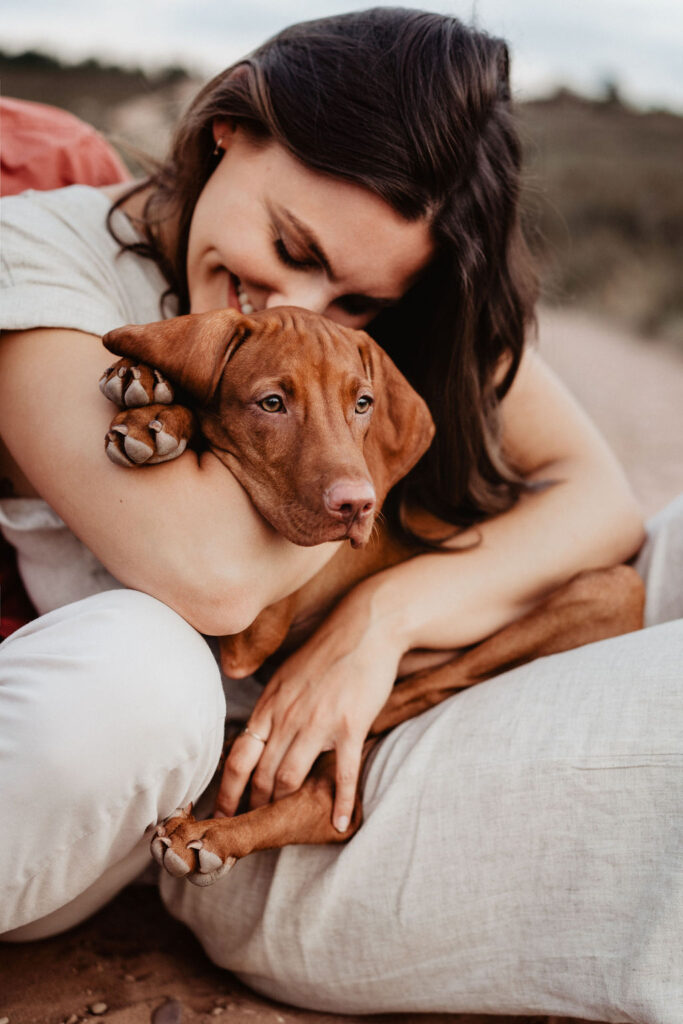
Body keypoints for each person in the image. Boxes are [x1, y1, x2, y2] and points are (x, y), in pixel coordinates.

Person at [0, 9, 680, 1021]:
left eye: (355, 301)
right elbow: (211, 573)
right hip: (287, 784)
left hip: (416, 680)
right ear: (230, 124)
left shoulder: (376, 320)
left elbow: (600, 500)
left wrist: (382, 620)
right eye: (287, 241)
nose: (303, 305)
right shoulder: (45, 251)